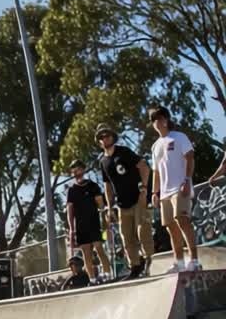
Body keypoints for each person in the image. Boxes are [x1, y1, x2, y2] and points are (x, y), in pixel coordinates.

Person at [96, 125, 154, 279]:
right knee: (126, 237)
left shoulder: (124, 152)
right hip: (122, 204)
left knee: (143, 231)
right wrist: (109, 207)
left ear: (112, 137)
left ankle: (149, 261)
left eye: (107, 135)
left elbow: (144, 167)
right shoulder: (103, 162)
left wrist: (144, 189)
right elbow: (107, 186)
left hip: (138, 198)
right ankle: (135, 266)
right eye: (102, 137)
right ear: (99, 141)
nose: (105, 138)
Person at [149, 106, 199, 272]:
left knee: (182, 221)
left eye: (159, 118)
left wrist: (187, 179)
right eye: (153, 119)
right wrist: (154, 193)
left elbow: (190, 158)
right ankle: (179, 263)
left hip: (180, 187)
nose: (157, 122)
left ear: (166, 120)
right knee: (171, 227)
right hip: (164, 192)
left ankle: (194, 260)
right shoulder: (155, 146)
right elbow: (156, 172)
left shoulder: (179, 137)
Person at [66, 160, 112, 283]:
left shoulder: (93, 186)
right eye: (74, 171)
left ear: (83, 169)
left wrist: (105, 222)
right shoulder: (72, 190)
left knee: (99, 248)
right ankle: (92, 279)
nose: (76, 173)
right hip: (80, 226)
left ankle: (107, 274)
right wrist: (72, 229)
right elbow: (70, 210)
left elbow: (101, 205)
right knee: (86, 253)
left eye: (78, 170)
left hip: (94, 223)